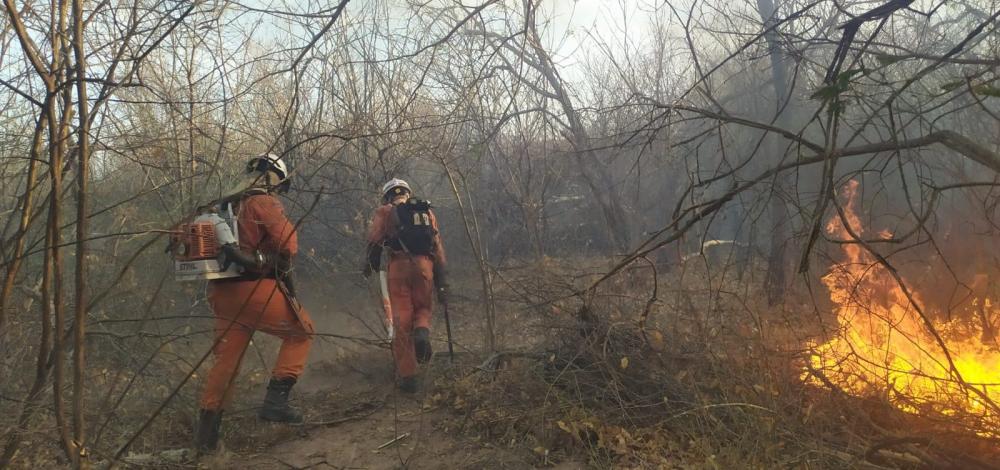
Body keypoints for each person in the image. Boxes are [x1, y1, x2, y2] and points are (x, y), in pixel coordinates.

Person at [195, 154, 315, 453]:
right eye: (279, 183)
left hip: (221, 294)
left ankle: (206, 438)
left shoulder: (222, 205)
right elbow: (288, 247)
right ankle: (276, 403)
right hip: (253, 290)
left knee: (226, 362)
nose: (278, 190)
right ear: (272, 176)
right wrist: (291, 290)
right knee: (302, 332)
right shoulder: (262, 202)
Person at [364, 178, 448, 393]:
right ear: (407, 194)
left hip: (398, 266)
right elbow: (437, 248)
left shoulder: (385, 211)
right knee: (423, 308)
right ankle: (422, 332)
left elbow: (374, 239)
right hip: (424, 266)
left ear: (388, 196)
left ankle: (409, 377)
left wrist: (370, 264)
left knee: (402, 318)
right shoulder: (426, 212)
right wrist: (442, 282)